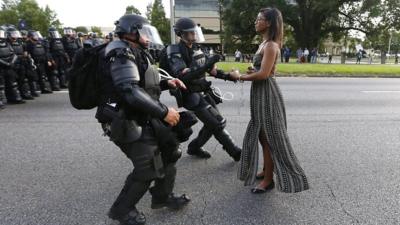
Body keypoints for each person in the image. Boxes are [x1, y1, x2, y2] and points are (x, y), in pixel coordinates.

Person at [95, 14, 190, 225]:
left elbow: (143, 85)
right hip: (124, 118)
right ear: (131, 32)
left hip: (143, 114)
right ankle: (122, 210)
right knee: (147, 166)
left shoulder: (135, 51)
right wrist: (164, 112)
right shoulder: (119, 52)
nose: (148, 37)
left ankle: (162, 197)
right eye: (144, 32)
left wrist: (168, 83)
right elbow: (129, 90)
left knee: (171, 150)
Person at [230, 7, 309, 194]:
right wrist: (252, 70)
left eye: (260, 19)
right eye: (257, 18)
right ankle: (267, 170)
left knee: (269, 137)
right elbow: (262, 70)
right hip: (260, 93)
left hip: (267, 94)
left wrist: (239, 76)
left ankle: (268, 180)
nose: (256, 22)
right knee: (261, 135)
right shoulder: (263, 44)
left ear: (270, 23)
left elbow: (265, 74)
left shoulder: (272, 45)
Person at [159, 17, 241, 160]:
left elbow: (212, 71)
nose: (194, 35)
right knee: (217, 123)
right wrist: (206, 64)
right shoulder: (174, 51)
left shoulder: (197, 48)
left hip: (203, 91)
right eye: (191, 33)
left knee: (215, 123)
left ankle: (194, 147)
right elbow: (183, 77)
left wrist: (230, 76)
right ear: (181, 34)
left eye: (194, 32)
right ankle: (235, 152)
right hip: (189, 94)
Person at [6, 26, 34, 100]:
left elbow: (25, 51)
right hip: (12, 63)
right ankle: (13, 97)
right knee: (12, 81)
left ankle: (24, 94)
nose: (14, 36)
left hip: (21, 62)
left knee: (23, 79)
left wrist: (26, 55)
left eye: (15, 34)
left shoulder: (20, 42)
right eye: (12, 34)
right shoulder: (6, 43)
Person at [0, 27, 25, 106]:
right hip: (1, 67)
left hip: (9, 66)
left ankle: (15, 98)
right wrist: (5, 63)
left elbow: (13, 54)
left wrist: (11, 62)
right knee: (1, 85)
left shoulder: (7, 44)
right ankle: (2, 101)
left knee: (13, 83)